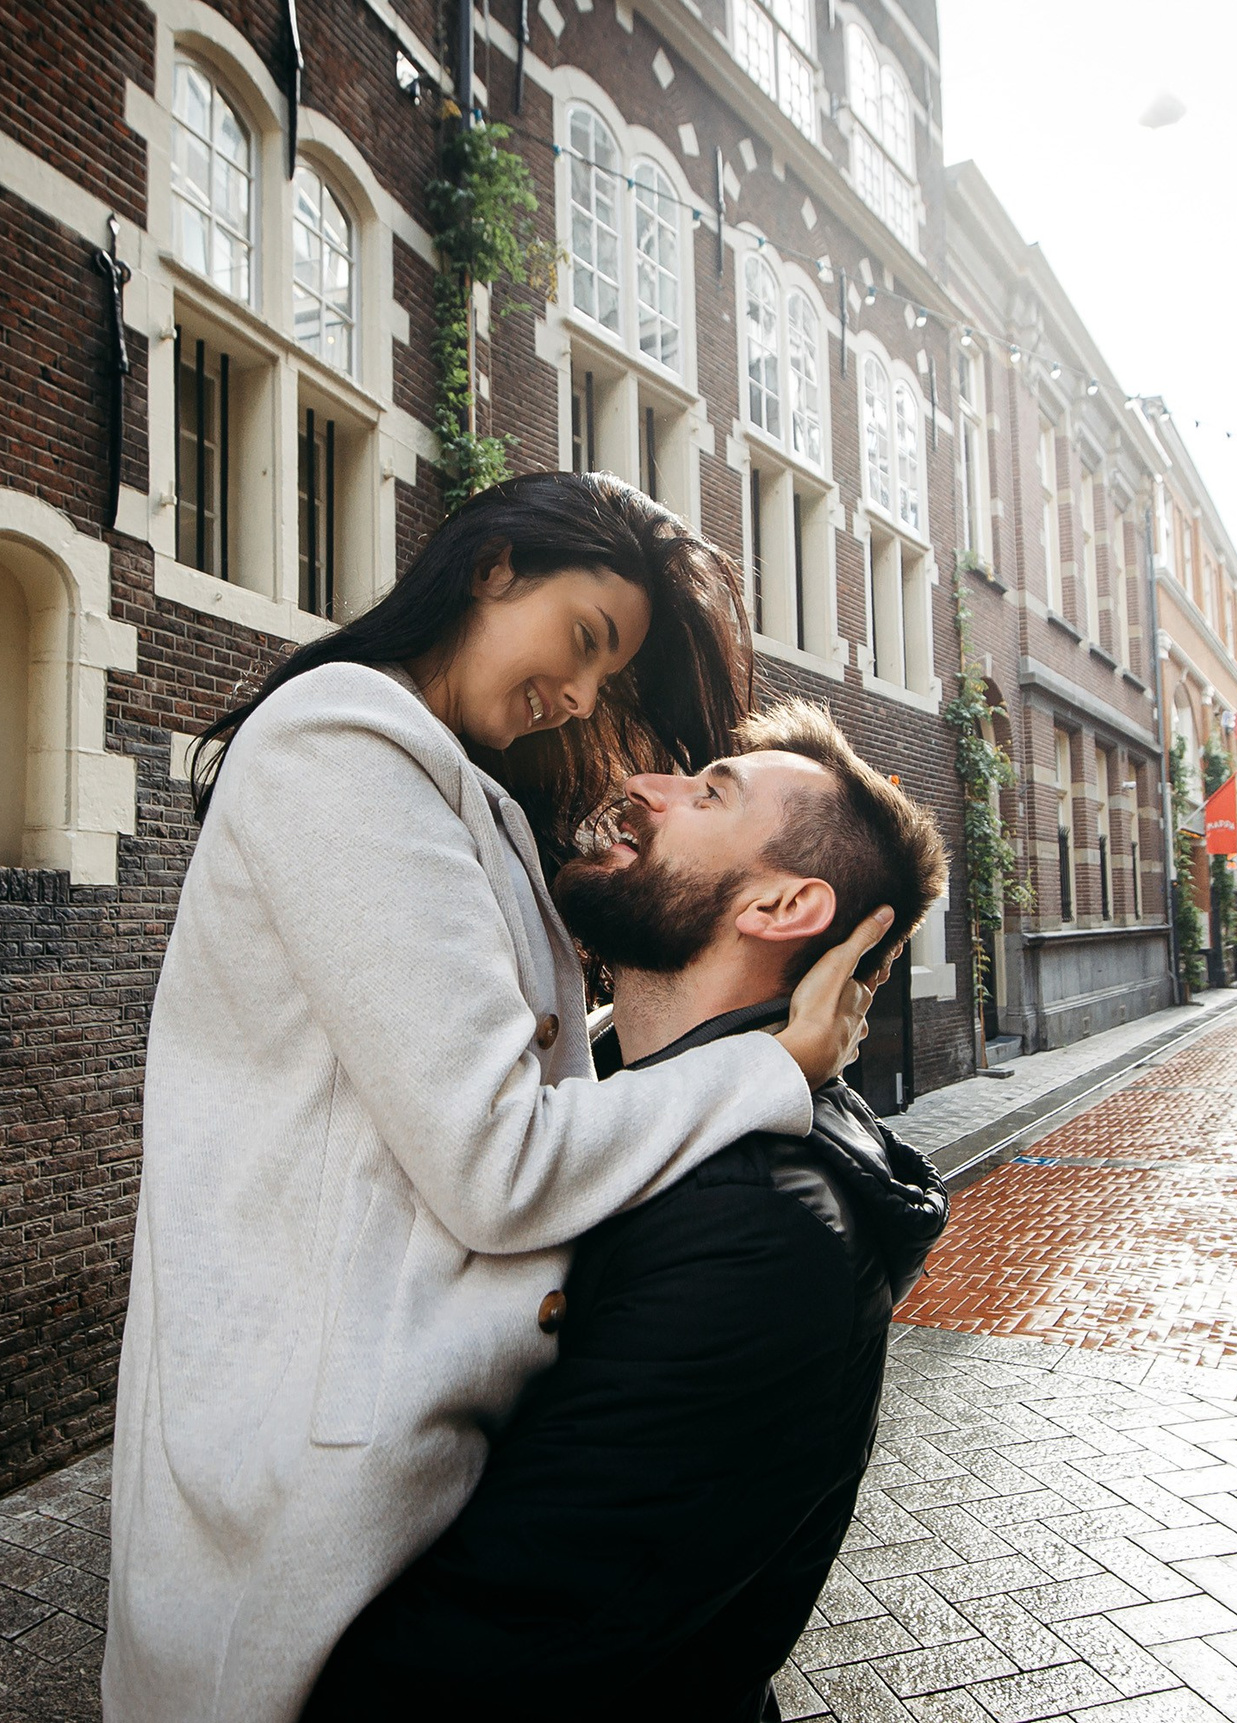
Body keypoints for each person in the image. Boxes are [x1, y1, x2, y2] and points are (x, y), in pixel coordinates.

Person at [101, 475, 889, 1723]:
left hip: (401, 1457)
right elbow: (496, 1155)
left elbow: (484, 1064)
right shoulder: (340, 745)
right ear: (492, 567)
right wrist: (766, 1065)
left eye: (604, 673)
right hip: (318, 1468)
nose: (579, 698)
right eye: (584, 640)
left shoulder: (459, 791)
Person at [304, 700, 950, 1721]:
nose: (647, 786)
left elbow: (494, 1653)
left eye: (708, 793)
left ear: (782, 907)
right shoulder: (602, 1109)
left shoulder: (757, 1234)